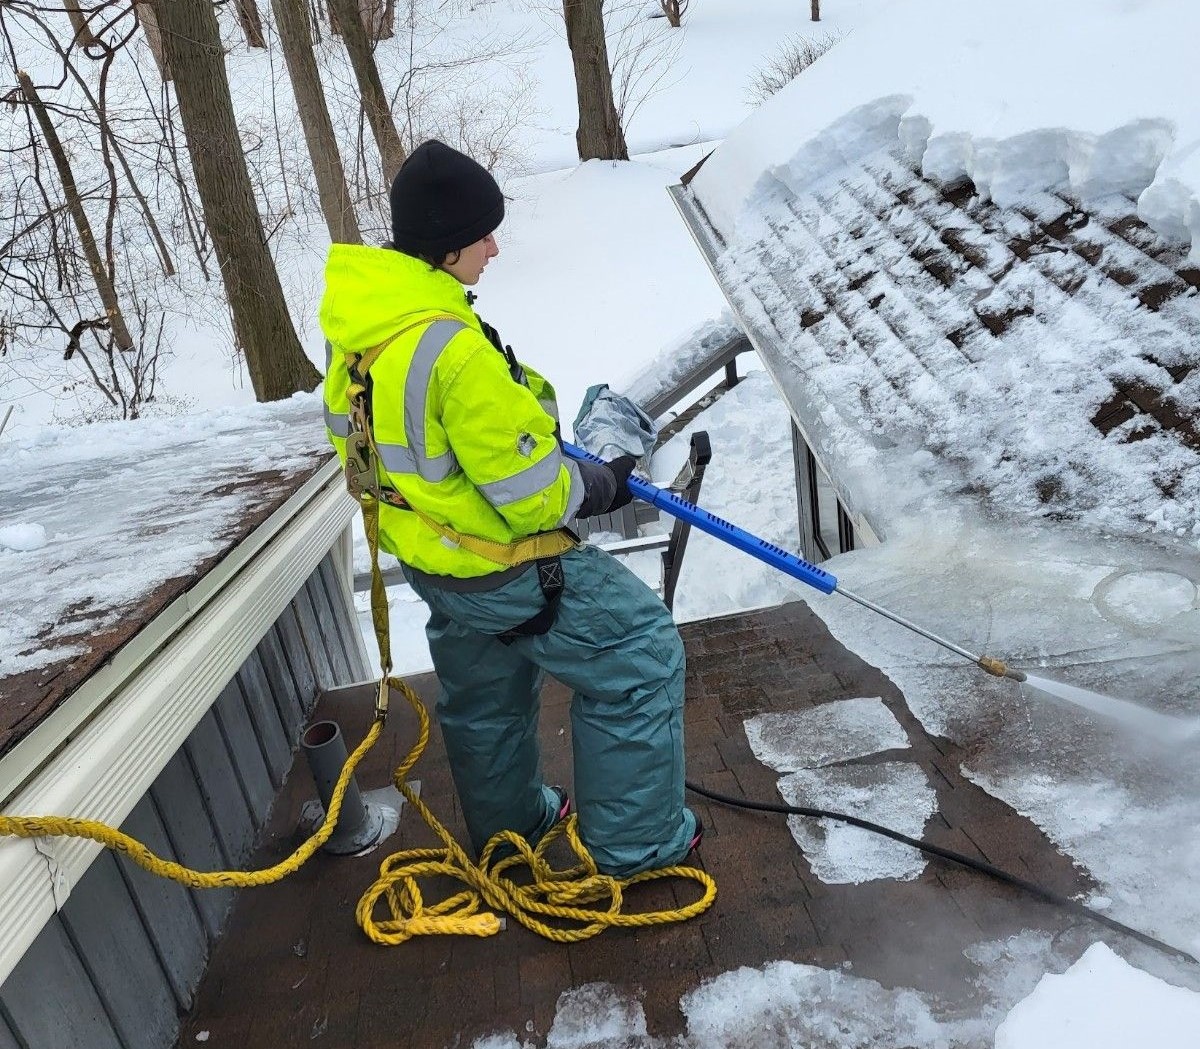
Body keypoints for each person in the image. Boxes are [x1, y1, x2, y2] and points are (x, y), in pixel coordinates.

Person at [319, 140, 700, 878]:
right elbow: (532, 500)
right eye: (484, 234)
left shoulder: (365, 331)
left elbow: (373, 451)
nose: (495, 247)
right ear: (447, 245)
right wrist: (599, 484)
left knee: (485, 692)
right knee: (640, 657)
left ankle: (509, 832)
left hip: (435, 561)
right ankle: (640, 849)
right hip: (502, 566)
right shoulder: (451, 350)